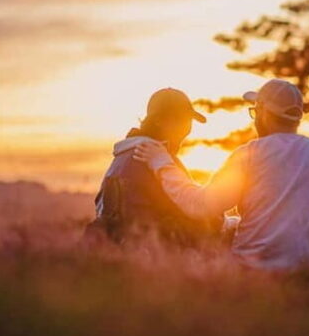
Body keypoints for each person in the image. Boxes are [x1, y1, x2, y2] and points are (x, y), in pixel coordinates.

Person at [134, 79, 309, 275]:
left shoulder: (248, 155)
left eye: (254, 111)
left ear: (262, 112)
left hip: (247, 272)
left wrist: (161, 162)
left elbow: (200, 206)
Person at [86, 88, 216, 245]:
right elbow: (193, 211)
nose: (186, 128)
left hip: (119, 249)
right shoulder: (158, 160)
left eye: (189, 121)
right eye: (180, 120)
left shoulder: (120, 158)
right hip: (154, 250)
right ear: (158, 120)